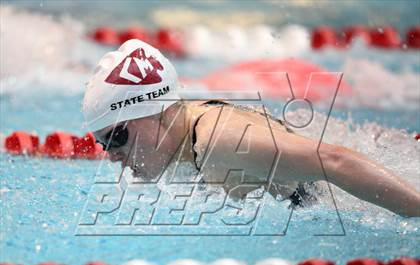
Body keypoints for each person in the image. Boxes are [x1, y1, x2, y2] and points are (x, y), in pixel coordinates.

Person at [82, 39, 420, 217]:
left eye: (117, 136)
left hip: (348, 197)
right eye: (102, 143)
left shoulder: (221, 141)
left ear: (157, 111)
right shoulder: (184, 133)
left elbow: (335, 162)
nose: (112, 155)